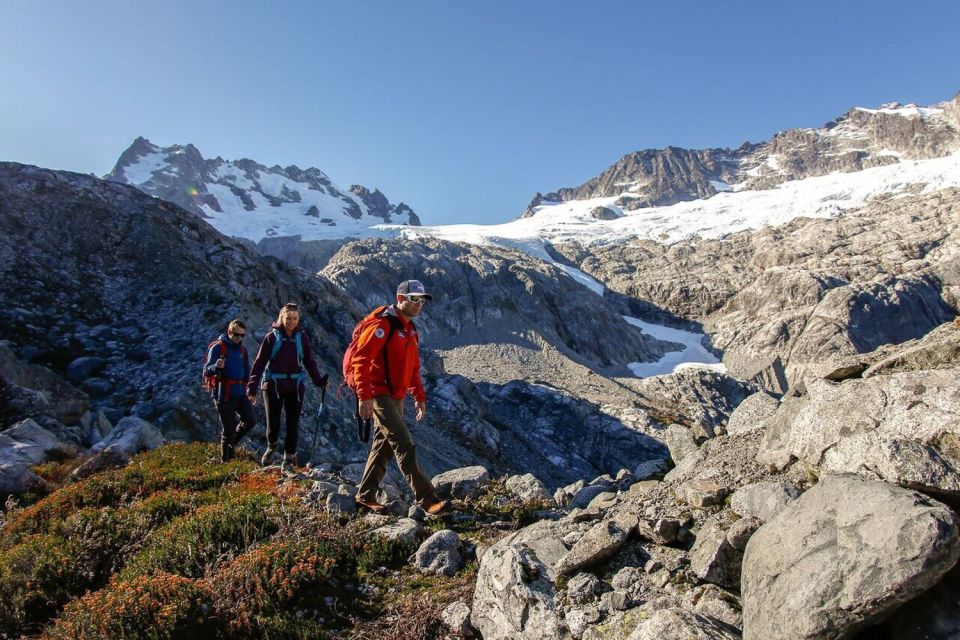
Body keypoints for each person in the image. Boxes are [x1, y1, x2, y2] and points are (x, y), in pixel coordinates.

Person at [353, 280, 449, 515]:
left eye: (422, 300)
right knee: (404, 443)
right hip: (379, 393)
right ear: (400, 298)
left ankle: (365, 495)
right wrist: (364, 396)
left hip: (396, 396)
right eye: (414, 299)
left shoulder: (409, 329)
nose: (419, 304)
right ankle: (427, 499)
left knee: (383, 446)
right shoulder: (383, 325)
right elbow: (361, 359)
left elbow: (413, 367)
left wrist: (419, 396)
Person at [247, 303, 328, 473]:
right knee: (273, 424)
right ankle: (272, 445)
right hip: (273, 385)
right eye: (288, 318)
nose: (291, 321)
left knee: (293, 423)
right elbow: (260, 362)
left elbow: (309, 361)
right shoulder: (271, 337)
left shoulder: (302, 338)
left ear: (298, 319)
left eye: (294, 318)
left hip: (295, 387)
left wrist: (319, 381)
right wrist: (252, 388)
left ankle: (288, 458)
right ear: (281, 318)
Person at [203, 319, 256, 463]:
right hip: (223, 394)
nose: (239, 338)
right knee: (228, 428)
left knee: (250, 420)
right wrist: (216, 366)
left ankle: (230, 445)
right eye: (236, 334)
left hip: (240, 392)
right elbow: (206, 371)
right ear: (229, 332)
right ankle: (226, 460)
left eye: (242, 335)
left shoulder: (242, 350)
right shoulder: (218, 348)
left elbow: (247, 371)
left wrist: (251, 390)